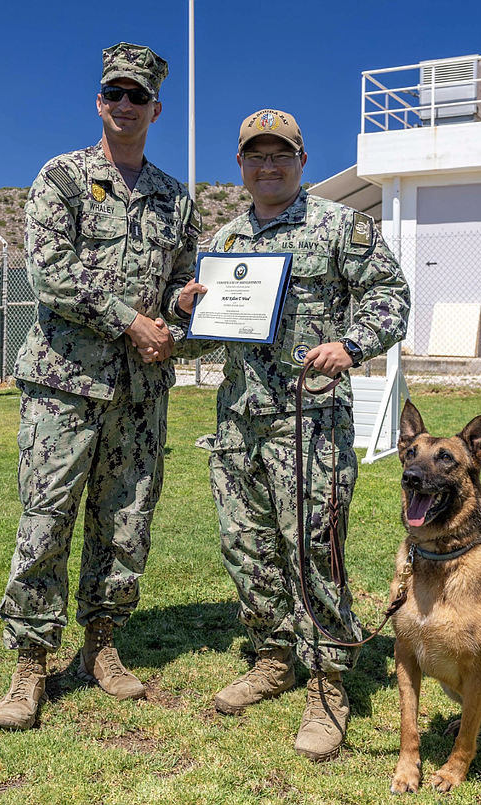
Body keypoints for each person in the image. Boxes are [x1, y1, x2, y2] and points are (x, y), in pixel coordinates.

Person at [177, 109, 410, 761]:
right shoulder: (224, 241)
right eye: (257, 155)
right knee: (246, 545)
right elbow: (208, 330)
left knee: (314, 549)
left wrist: (351, 342)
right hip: (239, 419)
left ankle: (329, 684)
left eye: (282, 154)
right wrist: (187, 310)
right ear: (242, 166)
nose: (269, 165)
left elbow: (390, 296)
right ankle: (274, 657)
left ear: (302, 162)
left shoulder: (342, 227)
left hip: (311, 421)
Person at [0, 43, 202, 731]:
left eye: (137, 95)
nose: (124, 104)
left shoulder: (176, 198)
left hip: (140, 394)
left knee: (125, 525)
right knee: (45, 519)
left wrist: (186, 307)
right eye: (114, 92)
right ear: (99, 101)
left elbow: (178, 287)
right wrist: (132, 321)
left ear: (156, 108)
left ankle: (100, 647)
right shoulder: (63, 178)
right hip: (63, 384)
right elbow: (50, 273)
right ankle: (30, 662)